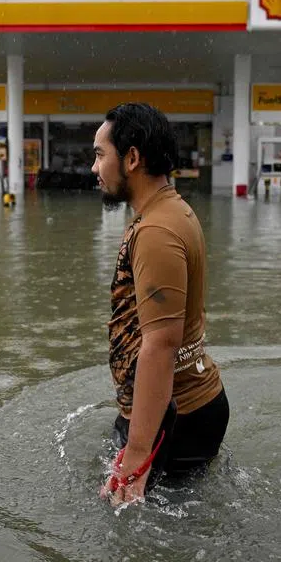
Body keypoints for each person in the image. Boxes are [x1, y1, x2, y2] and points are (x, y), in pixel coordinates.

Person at [91, 102, 229, 506]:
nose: (94, 168)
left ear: (132, 158)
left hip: (172, 418)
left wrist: (137, 455)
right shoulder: (171, 211)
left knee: (120, 518)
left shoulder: (156, 230)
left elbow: (161, 345)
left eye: (100, 155)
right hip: (180, 410)